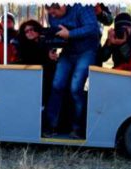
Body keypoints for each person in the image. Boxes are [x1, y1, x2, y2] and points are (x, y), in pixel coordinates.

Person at [42, 3, 100, 139]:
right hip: (68, 52)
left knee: (76, 88)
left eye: (54, 13)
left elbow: (92, 28)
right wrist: (52, 48)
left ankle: (78, 128)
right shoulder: (51, 15)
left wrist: (70, 34)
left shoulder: (82, 7)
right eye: (50, 12)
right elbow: (55, 33)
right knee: (57, 85)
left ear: (62, 6)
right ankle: (50, 126)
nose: (52, 15)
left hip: (87, 51)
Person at [16, 19, 58, 104]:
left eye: (32, 29)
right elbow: (29, 58)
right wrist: (47, 55)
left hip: (49, 76)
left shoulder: (46, 41)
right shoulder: (22, 45)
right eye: (26, 31)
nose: (30, 32)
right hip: (32, 78)